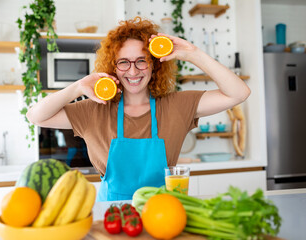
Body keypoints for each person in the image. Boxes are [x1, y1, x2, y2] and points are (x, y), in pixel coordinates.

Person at [26, 17, 250, 201]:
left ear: (154, 65)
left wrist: (192, 53)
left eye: (141, 61)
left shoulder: (177, 105)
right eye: (123, 62)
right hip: (110, 218)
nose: (133, 71)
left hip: (164, 215)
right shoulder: (94, 110)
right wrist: (77, 88)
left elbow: (239, 93)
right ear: (113, 67)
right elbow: (35, 116)